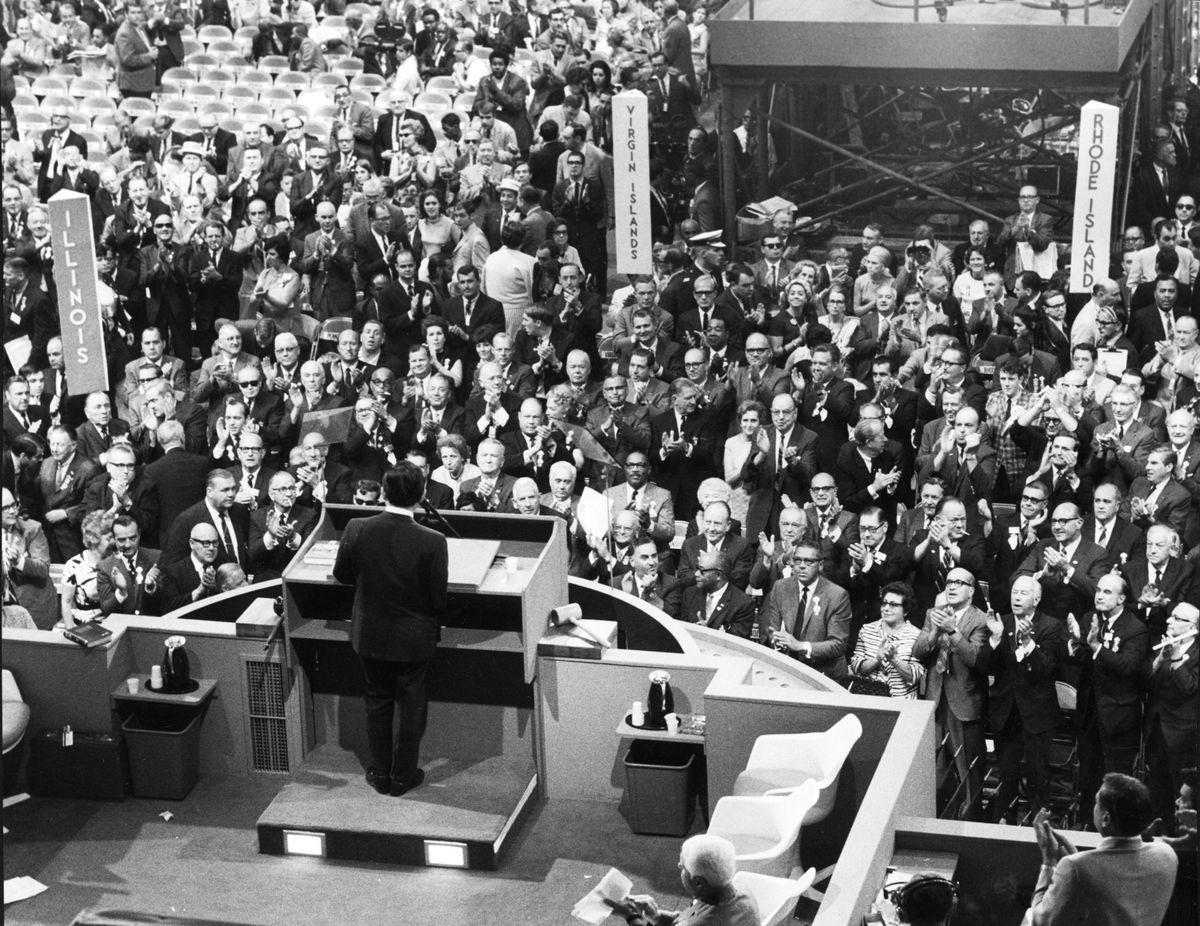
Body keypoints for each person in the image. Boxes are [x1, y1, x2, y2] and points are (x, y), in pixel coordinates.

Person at [332, 464, 448, 798]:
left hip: (370, 635)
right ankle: (403, 776)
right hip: (414, 639)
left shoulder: (357, 528)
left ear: (384, 491)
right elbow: (438, 598)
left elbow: (342, 575)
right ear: (422, 494)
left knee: (377, 702)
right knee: (412, 706)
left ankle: (380, 773)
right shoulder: (433, 540)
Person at [1028, 775, 1178, 926]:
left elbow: (1042, 921)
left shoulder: (1075, 867)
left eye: (1096, 803)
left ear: (1106, 818)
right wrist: (1078, 860)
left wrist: (1049, 862)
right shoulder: (1168, 854)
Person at [609, 834, 758, 926]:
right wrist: (656, 916)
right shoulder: (743, 890)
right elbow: (690, 917)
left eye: (682, 867)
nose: (678, 866)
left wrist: (631, 916)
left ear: (699, 882)